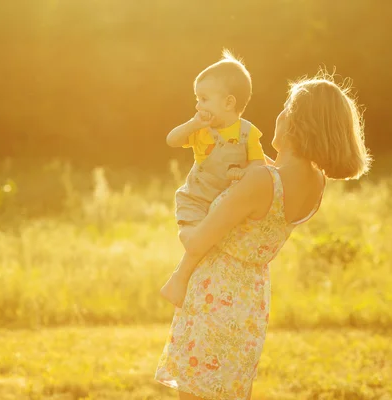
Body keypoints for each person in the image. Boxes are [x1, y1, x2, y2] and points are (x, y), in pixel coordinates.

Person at [156, 71, 372, 400]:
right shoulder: (315, 183)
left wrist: (184, 215)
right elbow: (265, 171)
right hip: (251, 301)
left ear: (298, 123)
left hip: (215, 295)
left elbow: (197, 242)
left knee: (196, 395)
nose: (280, 114)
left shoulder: (262, 182)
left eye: (287, 107)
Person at [166, 49, 266, 249]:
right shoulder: (201, 128)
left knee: (222, 239)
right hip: (196, 197)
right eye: (197, 99)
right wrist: (192, 126)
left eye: (203, 99)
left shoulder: (248, 133)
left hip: (225, 203)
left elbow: (259, 164)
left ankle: (206, 246)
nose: (197, 106)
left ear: (229, 102)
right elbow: (172, 140)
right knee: (190, 231)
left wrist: (244, 172)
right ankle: (192, 242)